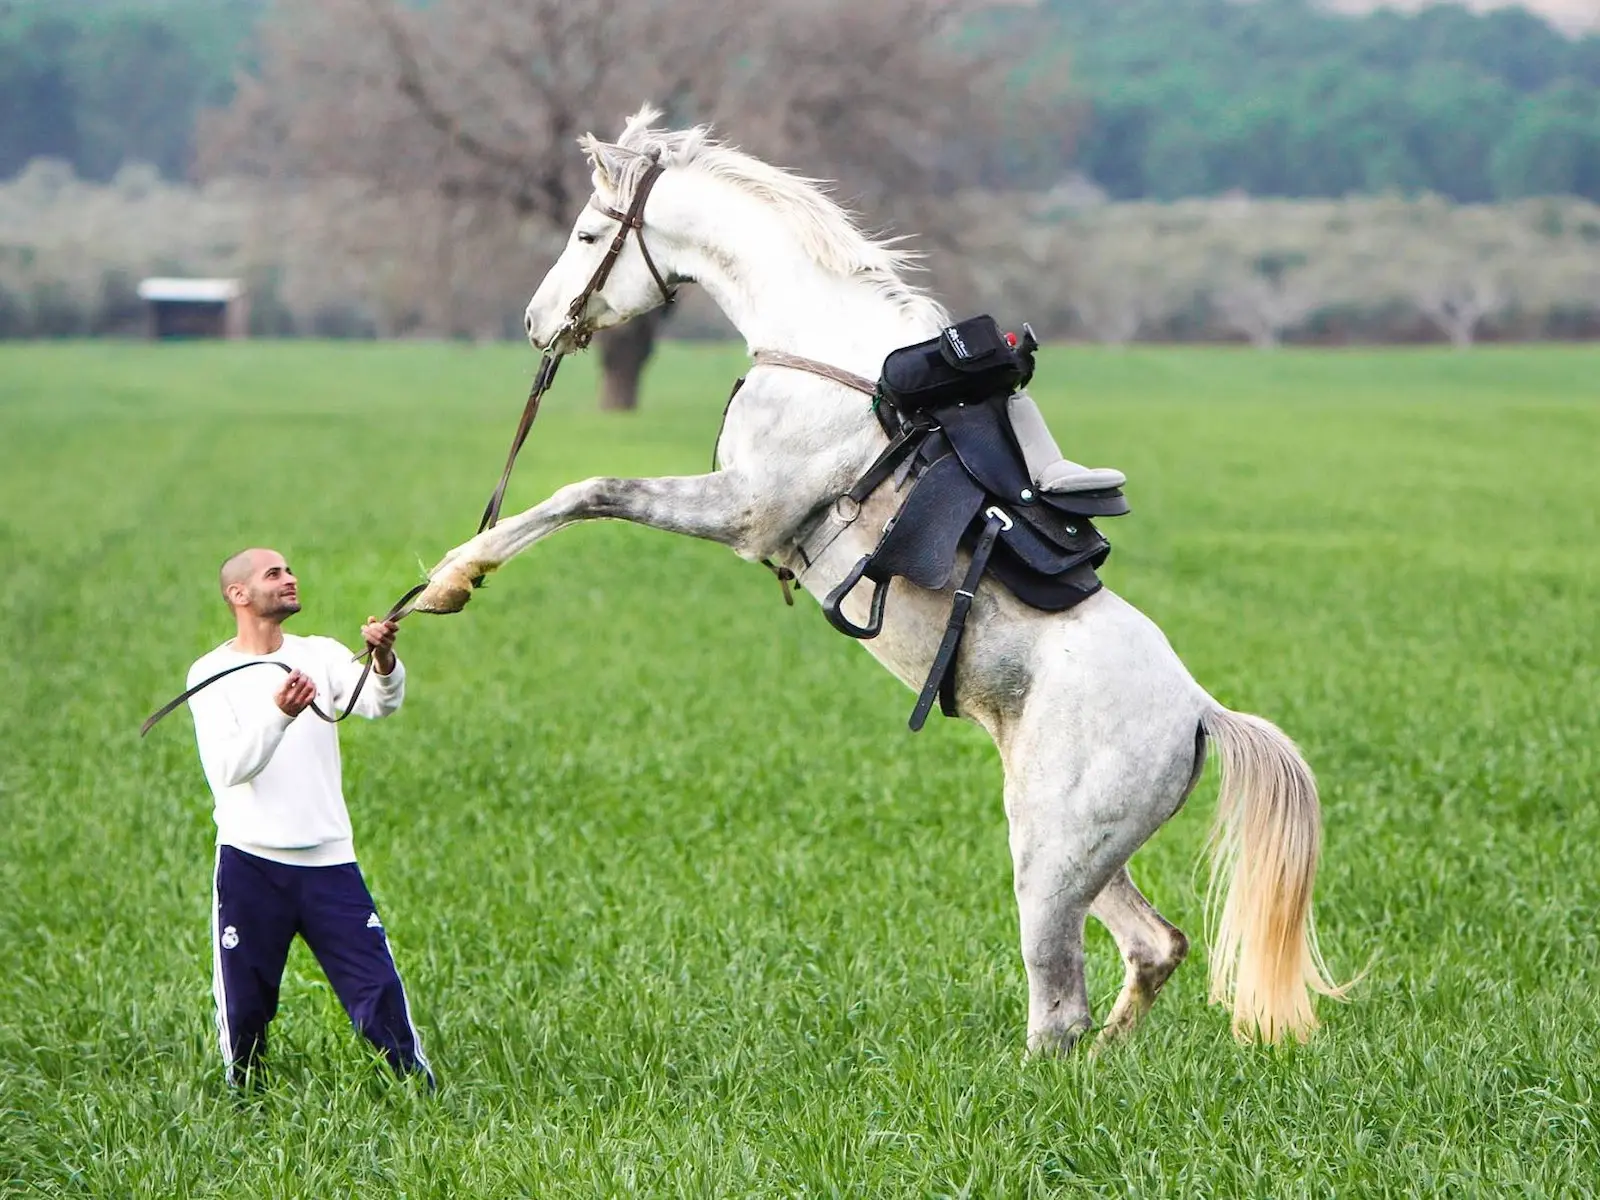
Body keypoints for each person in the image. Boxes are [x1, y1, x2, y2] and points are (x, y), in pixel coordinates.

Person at [186, 547, 432, 1089]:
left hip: (329, 860)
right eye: (275, 573)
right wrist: (279, 714)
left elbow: (379, 704)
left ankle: (420, 1095)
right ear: (239, 594)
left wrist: (383, 661)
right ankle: (246, 1102)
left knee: (377, 991)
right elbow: (227, 769)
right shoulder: (209, 673)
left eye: (290, 569)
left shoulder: (319, 655)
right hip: (251, 864)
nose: (290, 578)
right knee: (247, 1004)